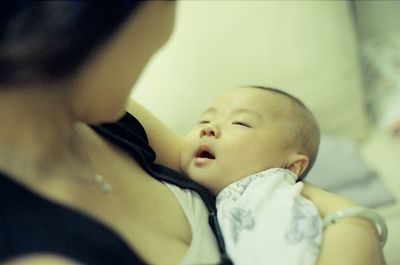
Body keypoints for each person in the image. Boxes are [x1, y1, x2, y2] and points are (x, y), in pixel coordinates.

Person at [0, 1, 386, 265]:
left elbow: (257, 173)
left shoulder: (107, 116)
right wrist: (353, 231)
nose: (164, 33)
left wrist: (351, 223)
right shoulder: (34, 246)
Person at [179, 85, 322, 264]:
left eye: (240, 123)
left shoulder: (269, 198)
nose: (209, 128)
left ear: (290, 166)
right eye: (204, 120)